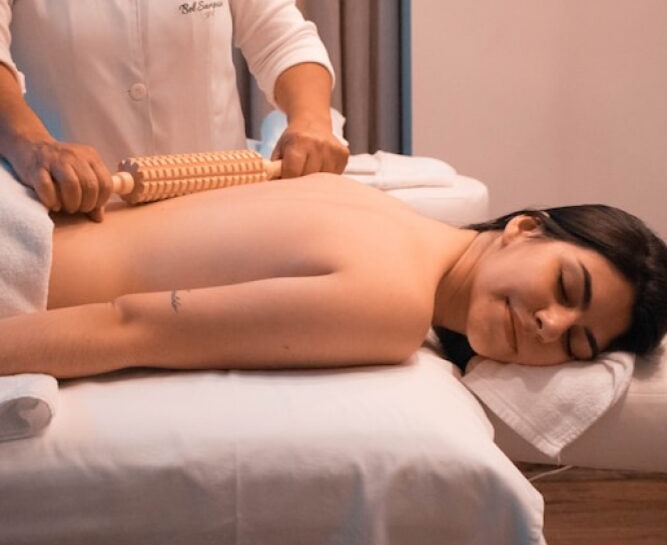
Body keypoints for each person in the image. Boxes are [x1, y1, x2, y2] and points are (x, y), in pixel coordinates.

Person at [1, 172, 666, 379]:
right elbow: (129, 327)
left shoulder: (372, 205)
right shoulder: (393, 305)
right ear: (523, 227)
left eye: (576, 342)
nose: (550, 324)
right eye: (566, 287)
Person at [0, 0, 348, 221]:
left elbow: (282, 39)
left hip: (225, 213)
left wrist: (312, 121)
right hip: (87, 220)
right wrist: (34, 148)